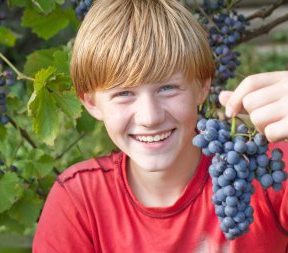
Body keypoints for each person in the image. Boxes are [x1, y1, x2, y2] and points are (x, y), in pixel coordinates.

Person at [32, 0, 288, 252]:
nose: (150, 117)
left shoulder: (262, 169)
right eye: (124, 93)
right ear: (91, 103)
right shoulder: (79, 200)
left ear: (202, 87)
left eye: (167, 88)